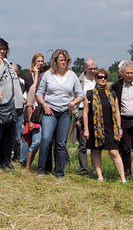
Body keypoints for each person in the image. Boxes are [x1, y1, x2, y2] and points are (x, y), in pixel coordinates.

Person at [35, 48, 83, 178]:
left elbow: (80, 94)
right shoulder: (48, 75)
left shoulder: (72, 75)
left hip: (65, 113)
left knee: (61, 143)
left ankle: (60, 173)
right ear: (55, 61)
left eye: (66, 60)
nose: (64, 62)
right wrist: (44, 104)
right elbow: (39, 93)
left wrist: (73, 103)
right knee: (46, 139)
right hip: (49, 110)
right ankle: (41, 170)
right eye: (61, 60)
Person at [83, 68, 127, 183]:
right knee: (96, 151)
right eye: (100, 77)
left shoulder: (112, 94)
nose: (102, 79)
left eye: (104, 77)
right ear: (95, 78)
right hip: (96, 128)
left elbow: (117, 112)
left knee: (114, 152)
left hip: (111, 127)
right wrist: (86, 130)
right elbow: (85, 113)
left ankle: (123, 178)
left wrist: (119, 127)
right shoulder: (89, 94)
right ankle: (100, 176)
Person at [0, 37, 23, 171]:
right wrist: (0, 64)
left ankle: (6, 162)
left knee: (9, 138)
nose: (2, 51)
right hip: (0, 106)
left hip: (13, 106)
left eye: (4, 49)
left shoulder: (8, 63)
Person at [111, 60, 133, 180]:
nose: (129, 75)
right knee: (125, 149)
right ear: (122, 73)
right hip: (124, 121)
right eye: (127, 73)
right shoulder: (116, 86)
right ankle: (126, 173)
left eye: (131, 73)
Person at [73, 58, 100, 176]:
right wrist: (76, 115)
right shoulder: (79, 81)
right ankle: (84, 170)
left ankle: (96, 170)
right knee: (83, 142)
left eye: (94, 68)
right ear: (85, 68)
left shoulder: (100, 80)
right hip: (81, 112)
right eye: (90, 69)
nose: (93, 71)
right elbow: (73, 97)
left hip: (96, 114)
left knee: (96, 143)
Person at [21, 52, 45, 170]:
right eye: (38, 62)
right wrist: (36, 75)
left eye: (42, 61)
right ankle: (25, 162)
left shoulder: (46, 75)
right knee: (31, 139)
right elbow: (33, 91)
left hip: (44, 111)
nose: (40, 64)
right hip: (34, 111)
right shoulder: (28, 76)